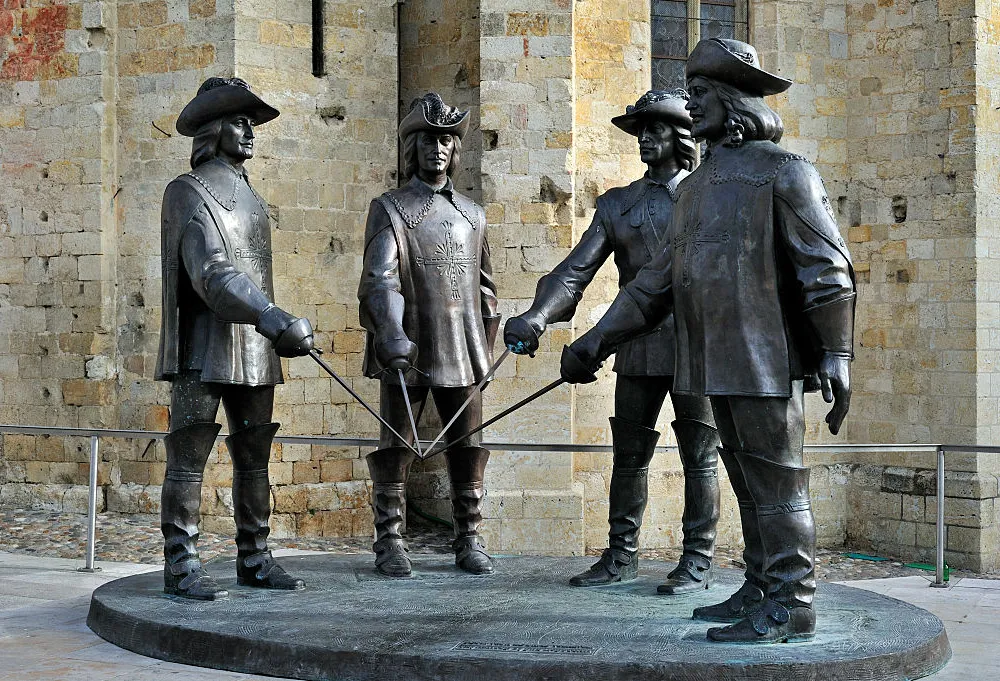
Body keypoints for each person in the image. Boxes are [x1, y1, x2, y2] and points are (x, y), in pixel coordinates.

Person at [559, 39, 855, 644]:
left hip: (762, 360)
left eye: (699, 97)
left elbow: (826, 270)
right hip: (710, 360)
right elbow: (651, 288)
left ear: (732, 102)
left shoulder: (784, 172)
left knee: (778, 484)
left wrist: (837, 352)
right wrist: (595, 343)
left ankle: (793, 602)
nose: (692, 109)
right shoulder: (694, 190)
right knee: (748, 484)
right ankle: (759, 585)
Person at [503, 90, 721, 593]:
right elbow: (575, 272)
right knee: (629, 455)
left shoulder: (706, 198)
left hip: (698, 346)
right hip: (637, 344)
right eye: (640, 129)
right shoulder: (619, 205)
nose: (645, 137)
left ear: (681, 136)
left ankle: (698, 559)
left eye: (656, 129)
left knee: (700, 456)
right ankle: (621, 554)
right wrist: (537, 317)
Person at [156, 77, 315, 600]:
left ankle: (256, 557)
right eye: (239, 122)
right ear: (213, 129)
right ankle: (181, 565)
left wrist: (269, 327)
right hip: (202, 350)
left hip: (252, 350)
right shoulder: (187, 190)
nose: (249, 132)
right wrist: (271, 316)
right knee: (187, 457)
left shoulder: (250, 197)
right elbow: (212, 273)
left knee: (255, 458)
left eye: (250, 123)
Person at [358, 93, 500, 578]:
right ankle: (390, 540)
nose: (438, 148)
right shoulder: (391, 208)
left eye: (446, 140)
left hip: (462, 350)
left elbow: (485, 288)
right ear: (411, 148)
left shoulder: (473, 215)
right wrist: (390, 333)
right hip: (408, 348)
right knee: (396, 446)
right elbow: (380, 281)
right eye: (428, 140)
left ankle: (470, 537)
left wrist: (487, 347)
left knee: (468, 447)